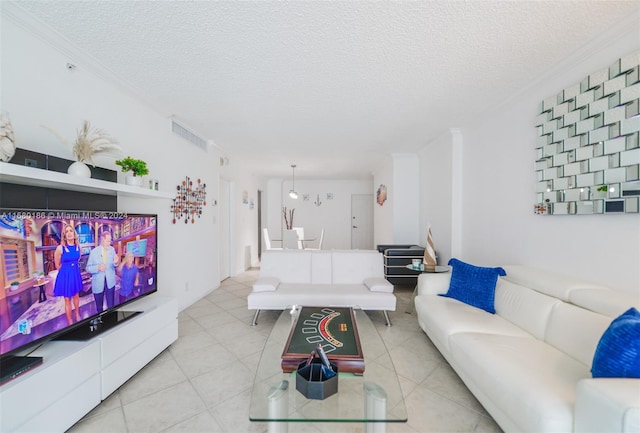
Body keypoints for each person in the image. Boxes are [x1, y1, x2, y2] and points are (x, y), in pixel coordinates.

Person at [52, 224, 83, 325]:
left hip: (75, 273)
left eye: (71, 231)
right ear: (64, 235)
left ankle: (77, 314)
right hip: (65, 275)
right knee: (67, 299)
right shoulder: (60, 248)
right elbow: (57, 265)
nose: (69, 233)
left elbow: (77, 260)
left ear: (74, 234)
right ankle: (69, 320)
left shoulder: (79, 247)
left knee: (76, 296)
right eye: (67, 232)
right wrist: (67, 270)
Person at [86, 231, 119, 314]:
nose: (110, 243)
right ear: (102, 240)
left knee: (111, 305)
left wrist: (116, 262)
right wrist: (98, 268)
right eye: (108, 241)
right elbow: (88, 268)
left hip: (110, 282)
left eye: (110, 240)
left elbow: (115, 264)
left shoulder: (112, 249)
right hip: (98, 283)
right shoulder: (94, 252)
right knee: (99, 307)